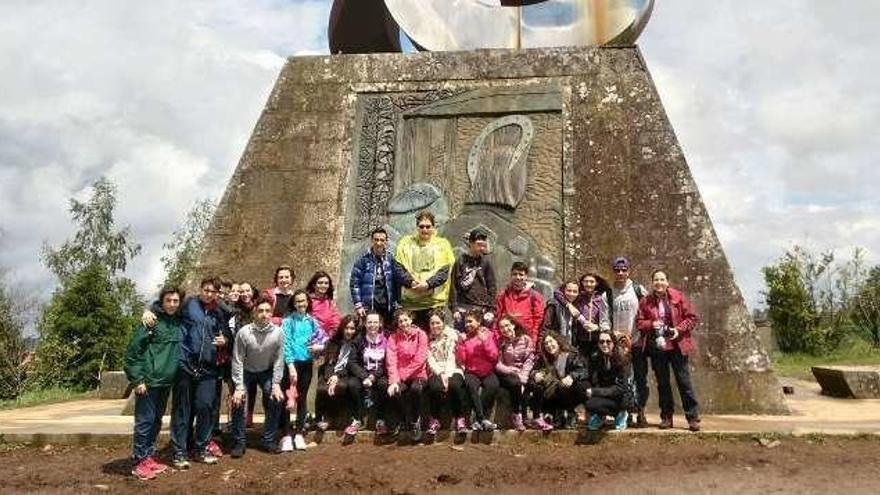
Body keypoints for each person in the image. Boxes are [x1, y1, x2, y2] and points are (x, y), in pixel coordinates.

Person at [163, 276, 230, 467]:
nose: (209, 294)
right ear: (201, 289)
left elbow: (226, 332)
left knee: (205, 408)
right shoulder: (188, 304)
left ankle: (201, 448)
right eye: (206, 290)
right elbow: (167, 307)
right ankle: (179, 452)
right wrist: (150, 310)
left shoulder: (219, 311)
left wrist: (225, 339)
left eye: (213, 292)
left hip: (208, 368)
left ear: (217, 294)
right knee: (182, 410)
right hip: (185, 364)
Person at [125, 286, 184, 480]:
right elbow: (132, 353)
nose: (172, 304)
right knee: (144, 422)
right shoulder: (151, 322)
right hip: (148, 382)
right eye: (169, 300)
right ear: (162, 301)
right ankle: (138, 462)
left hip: (165, 382)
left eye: (176, 301)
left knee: (156, 421)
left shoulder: (177, 321)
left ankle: (148, 456)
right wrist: (137, 379)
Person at [637, 269, 701, 431]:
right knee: (663, 384)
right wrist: (652, 324)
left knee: (684, 381)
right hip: (658, 347)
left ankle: (692, 417)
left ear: (667, 282)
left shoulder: (678, 297)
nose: (659, 282)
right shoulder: (645, 301)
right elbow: (640, 322)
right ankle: (666, 416)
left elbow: (692, 317)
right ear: (652, 283)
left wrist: (679, 329)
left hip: (677, 345)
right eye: (656, 280)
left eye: (662, 279)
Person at [229, 297, 285, 458]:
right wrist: (239, 387)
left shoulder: (278, 333)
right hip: (246, 371)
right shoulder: (244, 332)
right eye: (260, 311)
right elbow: (237, 360)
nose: (264, 314)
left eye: (267, 311)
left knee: (276, 398)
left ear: (271, 313)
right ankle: (239, 441)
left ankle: (268, 439)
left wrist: (276, 383)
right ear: (254, 312)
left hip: (266, 371)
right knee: (238, 401)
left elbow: (279, 359)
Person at [281, 290, 328, 451]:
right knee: (288, 399)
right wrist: (290, 365)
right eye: (298, 301)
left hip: (307, 363)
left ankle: (299, 433)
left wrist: (319, 346)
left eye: (303, 301)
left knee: (302, 398)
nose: (301, 304)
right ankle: (287, 434)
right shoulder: (287, 322)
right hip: (291, 365)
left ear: (308, 302)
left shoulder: (312, 321)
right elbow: (286, 345)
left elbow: (324, 338)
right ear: (293, 304)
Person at [395, 211, 456, 330]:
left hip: (434, 304)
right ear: (417, 227)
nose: (425, 229)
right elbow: (399, 268)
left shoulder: (442, 245)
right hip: (411, 303)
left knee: (434, 339)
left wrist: (427, 284)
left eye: (428, 226)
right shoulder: (405, 243)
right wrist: (411, 283)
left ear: (433, 227)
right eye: (421, 226)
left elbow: (444, 271)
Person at [609, 257, 649, 427]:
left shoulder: (638, 290)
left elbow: (649, 311)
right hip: (619, 345)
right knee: (623, 379)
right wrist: (615, 335)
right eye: (617, 270)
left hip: (638, 342)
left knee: (640, 379)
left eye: (623, 270)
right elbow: (605, 319)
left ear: (628, 271)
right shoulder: (609, 293)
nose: (620, 273)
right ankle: (627, 411)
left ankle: (641, 411)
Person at [350, 227, 413, 326]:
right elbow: (355, 283)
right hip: (369, 305)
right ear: (372, 240)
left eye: (382, 240)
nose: (379, 243)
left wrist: (398, 302)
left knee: (387, 333)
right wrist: (358, 305)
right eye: (376, 240)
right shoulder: (363, 260)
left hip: (388, 306)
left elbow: (398, 279)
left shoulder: (391, 258)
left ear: (386, 241)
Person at [529, 331, 589, 430]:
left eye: (551, 341)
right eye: (546, 344)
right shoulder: (544, 359)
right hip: (554, 392)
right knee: (540, 387)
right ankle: (553, 415)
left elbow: (583, 371)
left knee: (571, 386)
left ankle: (571, 413)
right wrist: (535, 374)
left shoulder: (571, 355)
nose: (549, 345)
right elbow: (533, 371)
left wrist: (572, 376)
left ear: (557, 341)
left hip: (571, 390)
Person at [315, 316, 363, 436]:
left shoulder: (357, 343)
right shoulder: (333, 342)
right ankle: (321, 418)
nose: (349, 331)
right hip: (331, 372)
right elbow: (329, 362)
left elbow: (351, 364)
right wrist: (332, 376)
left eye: (352, 328)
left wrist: (337, 376)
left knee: (340, 387)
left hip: (347, 373)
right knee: (322, 389)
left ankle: (332, 417)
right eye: (346, 328)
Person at [385, 309, 429, 441]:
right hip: (399, 375)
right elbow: (391, 360)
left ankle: (416, 421)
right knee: (395, 392)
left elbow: (420, 359)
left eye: (405, 320)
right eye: (400, 321)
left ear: (411, 319)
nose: (403, 323)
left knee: (416, 389)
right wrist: (394, 380)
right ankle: (405, 420)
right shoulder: (393, 337)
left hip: (418, 374)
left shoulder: (421, 335)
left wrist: (403, 376)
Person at [456, 310, 500, 431]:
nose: (467, 325)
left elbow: (494, 356)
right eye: (465, 322)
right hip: (472, 371)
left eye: (470, 321)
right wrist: (460, 344)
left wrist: (485, 341)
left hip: (487, 371)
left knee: (493, 386)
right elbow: (461, 360)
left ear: (479, 322)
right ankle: (482, 419)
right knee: (471, 387)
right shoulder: (465, 338)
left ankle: (477, 419)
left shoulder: (488, 334)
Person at [424, 309, 467, 435]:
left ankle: (459, 418)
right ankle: (435, 419)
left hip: (453, 367)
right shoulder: (427, 339)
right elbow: (429, 359)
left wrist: (447, 375)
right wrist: (440, 373)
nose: (435, 326)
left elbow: (451, 357)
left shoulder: (452, 335)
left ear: (443, 322)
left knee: (455, 386)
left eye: (438, 323)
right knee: (435, 387)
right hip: (436, 369)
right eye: (432, 323)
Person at [348, 311, 390, 435]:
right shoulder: (359, 340)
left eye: (375, 322)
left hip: (380, 373)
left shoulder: (387, 338)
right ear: (365, 324)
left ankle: (380, 420)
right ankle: (357, 419)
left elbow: (388, 361)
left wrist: (373, 376)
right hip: (362, 373)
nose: (373, 325)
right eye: (369, 322)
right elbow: (352, 362)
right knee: (352, 385)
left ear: (380, 323)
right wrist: (364, 376)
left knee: (384, 385)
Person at [584, 331, 633, 431]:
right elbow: (594, 380)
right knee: (589, 403)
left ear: (614, 343)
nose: (604, 344)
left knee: (623, 400)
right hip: (606, 394)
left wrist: (596, 392)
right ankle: (600, 416)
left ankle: (621, 414)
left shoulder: (622, 359)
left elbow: (621, 388)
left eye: (608, 341)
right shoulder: (596, 358)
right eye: (601, 342)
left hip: (621, 397)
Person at [495, 314, 535, 432]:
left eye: (507, 325)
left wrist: (523, 376)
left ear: (513, 324)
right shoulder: (500, 342)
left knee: (533, 385)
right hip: (506, 372)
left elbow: (529, 360)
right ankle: (516, 414)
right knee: (515, 384)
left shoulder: (526, 339)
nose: (505, 329)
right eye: (502, 327)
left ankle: (535, 416)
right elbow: (497, 363)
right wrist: (509, 370)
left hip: (523, 372)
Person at [450, 228, 497, 328]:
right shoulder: (460, 261)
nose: (481, 248)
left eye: (483, 246)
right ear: (470, 243)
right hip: (463, 309)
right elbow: (453, 286)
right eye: (479, 245)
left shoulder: (486, 263)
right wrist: (454, 309)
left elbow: (491, 287)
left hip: (481, 310)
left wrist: (491, 309)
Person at [495, 261, 545, 342]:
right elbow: (497, 316)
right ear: (511, 275)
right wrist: (498, 336)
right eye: (515, 274)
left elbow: (538, 320)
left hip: (527, 338)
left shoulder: (535, 296)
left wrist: (534, 339)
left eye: (521, 274)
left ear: (526, 277)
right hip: (507, 338)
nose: (518, 277)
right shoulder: (503, 295)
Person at [575, 271, 612, 359]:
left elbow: (608, 318)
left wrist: (597, 327)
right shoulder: (578, 298)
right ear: (582, 283)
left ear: (596, 283)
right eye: (586, 281)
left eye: (591, 282)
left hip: (599, 340)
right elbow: (559, 292)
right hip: (581, 340)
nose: (588, 284)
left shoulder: (602, 298)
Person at [541, 281, 589, 348]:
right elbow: (545, 327)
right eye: (569, 291)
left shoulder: (577, 306)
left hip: (570, 346)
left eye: (575, 291)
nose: (571, 294)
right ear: (563, 291)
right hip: (555, 346)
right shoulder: (554, 305)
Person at [306, 271, 343, 338]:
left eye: (326, 283)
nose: (323, 285)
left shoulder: (330, 303)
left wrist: (330, 335)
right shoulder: (307, 301)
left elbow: (336, 320)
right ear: (314, 285)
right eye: (320, 283)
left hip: (327, 339)